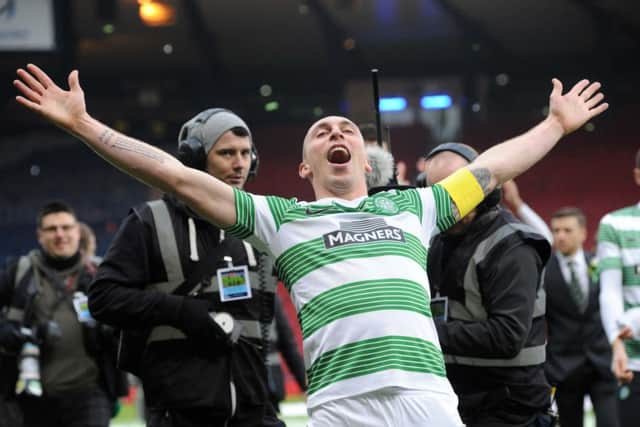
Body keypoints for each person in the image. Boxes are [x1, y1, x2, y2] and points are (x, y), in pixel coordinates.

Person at [13, 63, 608, 426]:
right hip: (341, 404)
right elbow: (176, 177)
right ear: (304, 167)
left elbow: (494, 167)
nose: (336, 132)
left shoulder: (413, 206)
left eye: (345, 128)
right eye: (321, 132)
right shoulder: (281, 218)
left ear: (363, 155)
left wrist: (555, 125)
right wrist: (84, 125)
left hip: (426, 396)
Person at [86, 108, 285, 427]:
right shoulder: (149, 222)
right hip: (178, 415)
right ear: (194, 160)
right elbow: (103, 297)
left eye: (246, 153)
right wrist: (182, 311)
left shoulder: (261, 227)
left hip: (252, 412)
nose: (239, 164)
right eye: (226, 153)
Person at [424, 143, 552, 426]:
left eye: (456, 191)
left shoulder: (513, 246)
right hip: (458, 402)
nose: (449, 203)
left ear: (487, 188)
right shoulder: (436, 243)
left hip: (511, 409)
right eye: (440, 193)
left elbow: (507, 336)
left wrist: (422, 331)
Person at [0, 201, 128, 427]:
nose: (60, 234)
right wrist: (9, 333)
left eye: (66, 227)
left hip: (90, 395)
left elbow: (126, 324)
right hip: (31, 395)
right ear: (40, 235)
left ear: (78, 231)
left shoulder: (101, 275)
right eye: (51, 229)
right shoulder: (19, 272)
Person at [545, 207, 618, 427]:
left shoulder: (601, 266)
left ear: (583, 233)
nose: (561, 236)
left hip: (602, 365)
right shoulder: (542, 271)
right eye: (556, 230)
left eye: (567, 230)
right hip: (563, 369)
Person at [597, 147, 640, 427]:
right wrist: (615, 342)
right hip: (634, 364)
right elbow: (610, 291)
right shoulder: (614, 224)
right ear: (638, 176)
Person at [266, 295, 307, 413]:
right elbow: (288, 344)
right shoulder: (268, 293)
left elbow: (288, 345)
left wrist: (305, 386)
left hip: (267, 387)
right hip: (269, 386)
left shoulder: (269, 294)